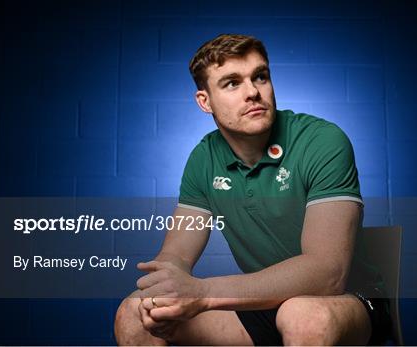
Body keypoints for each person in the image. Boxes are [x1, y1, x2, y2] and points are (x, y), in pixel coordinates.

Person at [114, 34, 391, 346]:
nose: (253, 92)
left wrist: (204, 293)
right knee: (135, 313)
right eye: (232, 83)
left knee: (301, 315)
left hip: (350, 301)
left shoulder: (322, 141)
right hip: (267, 303)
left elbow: (327, 273)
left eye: (260, 76)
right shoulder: (203, 159)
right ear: (205, 101)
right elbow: (176, 254)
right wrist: (164, 292)